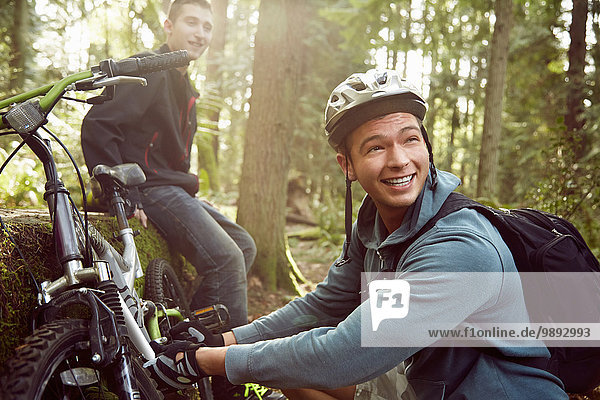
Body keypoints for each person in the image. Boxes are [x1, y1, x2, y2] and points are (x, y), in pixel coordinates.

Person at [145, 69, 569, 399]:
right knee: (292, 372)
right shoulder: (375, 227)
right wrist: (226, 338)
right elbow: (320, 306)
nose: (399, 160)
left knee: (304, 365)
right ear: (346, 165)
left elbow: (342, 354)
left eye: (410, 140)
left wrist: (203, 361)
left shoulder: (461, 247)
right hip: (431, 386)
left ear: (427, 147)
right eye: (375, 147)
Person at [81, 1, 284, 399]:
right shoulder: (149, 69)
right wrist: (121, 192)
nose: (200, 33)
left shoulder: (183, 83)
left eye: (208, 27)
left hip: (171, 185)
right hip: (149, 187)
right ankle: (229, 384)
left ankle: (189, 340)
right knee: (226, 258)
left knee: (244, 244)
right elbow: (99, 125)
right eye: (191, 22)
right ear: (169, 25)